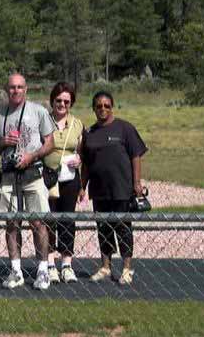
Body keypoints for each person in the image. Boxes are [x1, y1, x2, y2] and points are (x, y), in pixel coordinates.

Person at [0, 73, 55, 290]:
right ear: (6, 89)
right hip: (9, 175)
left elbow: (50, 143)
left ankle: (43, 270)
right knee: (11, 223)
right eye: (12, 87)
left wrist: (32, 156)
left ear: (26, 89)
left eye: (20, 87)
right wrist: (3, 142)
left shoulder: (38, 111)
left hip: (33, 173)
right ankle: (16, 270)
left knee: (38, 223)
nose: (16, 91)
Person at [80, 91, 148, 285]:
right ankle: (105, 267)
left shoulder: (124, 128)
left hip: (121, 188)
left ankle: (127, 269)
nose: (103, 109)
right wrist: (82, 186)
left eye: (106, 105)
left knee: (123, 227)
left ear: (112, 107)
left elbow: (136, 155)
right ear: (93, 108)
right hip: (99, 190)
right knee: (103, 228)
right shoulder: (90, 133)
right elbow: (85, 163)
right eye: (99, 106)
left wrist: (136, 182)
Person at [44, 82, 85, 284]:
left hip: (70, 178)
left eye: (66, 101)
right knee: (49, 219)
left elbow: (81, 150)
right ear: (52, 100)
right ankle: (50, 263)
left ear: (71, 103)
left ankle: (66, 264)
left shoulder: (78, 124)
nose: (62, 104)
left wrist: (79, 160)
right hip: (47, 177)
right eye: (58, 100)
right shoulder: (43, 120)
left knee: (67, 219)